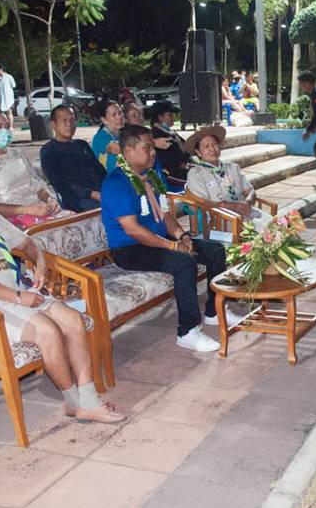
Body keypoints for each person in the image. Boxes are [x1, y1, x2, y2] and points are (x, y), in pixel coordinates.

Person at [0, 154, 125, 424]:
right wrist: (18, 297)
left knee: (73, 320)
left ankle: (88, 400)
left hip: (14, 294)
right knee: (48, 331)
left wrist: (40, 265)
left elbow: (27, 244)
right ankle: (73, 402)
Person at [101, 125, 236, 352]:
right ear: (128, 152)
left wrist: (182, 235)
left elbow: (164, 214)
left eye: (153, 147)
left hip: (158, 239)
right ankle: (188, 331)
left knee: (215, 250)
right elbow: (133, 230)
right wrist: (172, 246)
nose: (153, 152)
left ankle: (215, 311)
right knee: (184, 262)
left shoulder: (152, 176)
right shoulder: (116, 183)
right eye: (147, 148)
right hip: (130, 249)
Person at [0, 108, 71, 229]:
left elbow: (37, 184)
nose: (5, 131)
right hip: (12, 218)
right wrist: (26, 209)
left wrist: (49, 199)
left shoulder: (17, 154)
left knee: (76, 222)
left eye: (7, 126)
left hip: (39, 209)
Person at [185, 126, 273, 231]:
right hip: (221, 220)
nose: (212, 149)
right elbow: (204, 203)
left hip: (245, 214)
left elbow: (250, 191)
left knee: (275, 225)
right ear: (198, 152)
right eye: (207, 146)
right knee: (266, 232)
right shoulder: (196, 174)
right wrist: (232, 206)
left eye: (215, 144)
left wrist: (248, 202)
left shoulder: (232, 167)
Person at [40, 105, 105, 212]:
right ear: (53, 125)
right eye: (64, 120)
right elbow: (60, 184)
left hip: (102, 192)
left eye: (72, 120)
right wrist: (91, 194)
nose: (69, 124)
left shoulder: (82, 145)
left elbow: (100, 171)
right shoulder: (49, 151)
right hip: (78, 200)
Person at [150, 100, 191, 182]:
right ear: (160, 117)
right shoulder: (156, 135)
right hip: (172, 176)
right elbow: (165, 162)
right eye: (169, 115)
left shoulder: (171, 133)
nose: (173, 117)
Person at [91, 100, 124, 174]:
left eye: (120, 113)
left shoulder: (121, 135)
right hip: (106, 179)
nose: (119, 117)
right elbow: (118, 149)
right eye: (114, 115)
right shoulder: (101, 137)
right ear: (104, 120)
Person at [0, 64, 16, 129]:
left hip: (9, 98)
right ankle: (6, 125)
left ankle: (11, 126)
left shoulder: (9, 77)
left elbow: (14, 85)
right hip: (1, 98)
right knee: (2, 113)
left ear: (1, 69)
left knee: (9, 112)